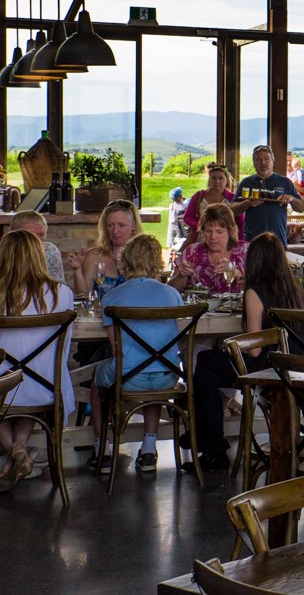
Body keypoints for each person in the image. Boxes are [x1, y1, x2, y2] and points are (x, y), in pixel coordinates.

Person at [188, 232, 304, 472]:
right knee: (210, 366)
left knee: (204, 363)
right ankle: (207, 439)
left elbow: (254, 352)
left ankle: (213, 447)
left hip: (269, 368)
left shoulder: (255, 292)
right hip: (298, 364)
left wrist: (229, 345)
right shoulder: (294, 287)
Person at [89, 234, 183, 474]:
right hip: (168, 375)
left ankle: (103, 448)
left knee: (96, 382)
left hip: (129, 376)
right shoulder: (172, 294)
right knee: (153, 368)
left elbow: (115, 349)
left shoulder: (112, 297)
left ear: (125, 262)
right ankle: (149, 448)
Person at [0, 231, 74, 492]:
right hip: (46, 388)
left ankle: (12, 450)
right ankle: (19, 448)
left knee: (10, 384)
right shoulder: (62, 293)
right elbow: (64, 350)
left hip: (4, 390)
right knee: (27, 380)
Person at [68, 199, 144, 297]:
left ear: (133, 226)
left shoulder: (143, 255)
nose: (115, 231)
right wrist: (77, 270)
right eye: (110, 225)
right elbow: (84, 296)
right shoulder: (94, 255)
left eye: (121, 225)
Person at [168, 204, 248, 294]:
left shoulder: (245, 251)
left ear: (230, 231)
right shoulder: (192, 252)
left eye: (219, 231)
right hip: (198, 307)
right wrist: (181, 276)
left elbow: (260, 289)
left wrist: (236, 274)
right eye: (208, 231)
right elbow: (169, 291)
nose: (213, 237)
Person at [232, 145, 304, 244]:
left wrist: (291, 198)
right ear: (253, 163)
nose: (263, 163)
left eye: (267, 159)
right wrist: (247, 203)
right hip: (252, 242)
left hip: (277, 241)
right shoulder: (246, 183)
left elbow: (301, 208)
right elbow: (232, 210)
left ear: (272, 161)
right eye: (258, 159)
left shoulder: (284, 182)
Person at [183, 164, 243, 245]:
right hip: (201, 238)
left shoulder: (233, 198)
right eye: (213, 178)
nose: (217, 181)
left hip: (226, 241)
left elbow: (240, 222)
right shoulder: (199, 196)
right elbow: (187, 217)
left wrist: (239, 242)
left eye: (220, 178)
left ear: (227, 180)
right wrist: (198, 225)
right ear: (209, 180)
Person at [9, 210, 65, 283]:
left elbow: (58, 288)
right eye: (30, 235)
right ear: (13, 235)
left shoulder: (49, 251)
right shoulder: (5, 252)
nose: (36, 240)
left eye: (41, 235)